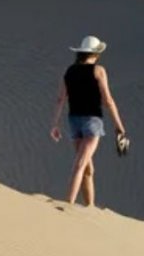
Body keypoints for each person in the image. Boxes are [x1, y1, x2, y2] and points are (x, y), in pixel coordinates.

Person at [50, 36, 128, 207]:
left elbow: (60, 99)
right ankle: (68, 205)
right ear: (96, 54)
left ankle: (89, 206)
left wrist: (55, 124)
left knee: (88, 168)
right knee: (80, 164)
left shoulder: (69, 71)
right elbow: (108, 101)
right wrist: (119, 126)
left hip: (74, 121)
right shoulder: (98, 71)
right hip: (92, 122)